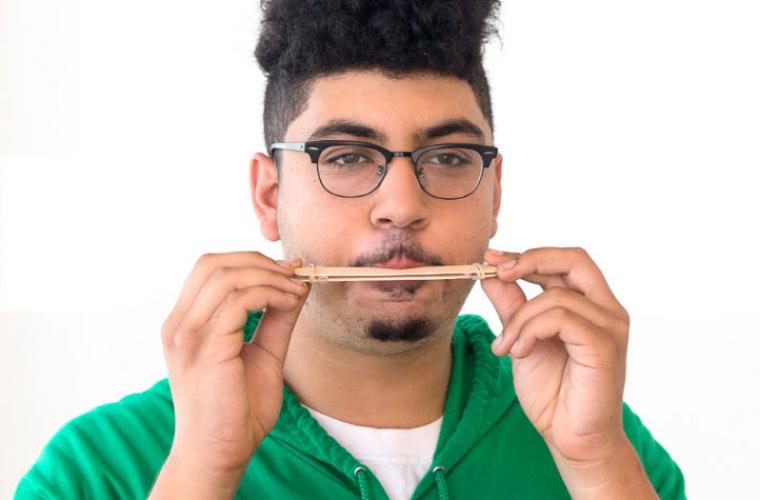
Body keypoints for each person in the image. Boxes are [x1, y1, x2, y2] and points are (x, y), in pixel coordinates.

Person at [15, 0, 686, 498]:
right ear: (269, 194)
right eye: (345, 157)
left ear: (495, 193)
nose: (402, 205)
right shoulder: (95, 468)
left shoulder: (607, 447)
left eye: (449, 157)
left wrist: (596, 464)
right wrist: (205, 466)